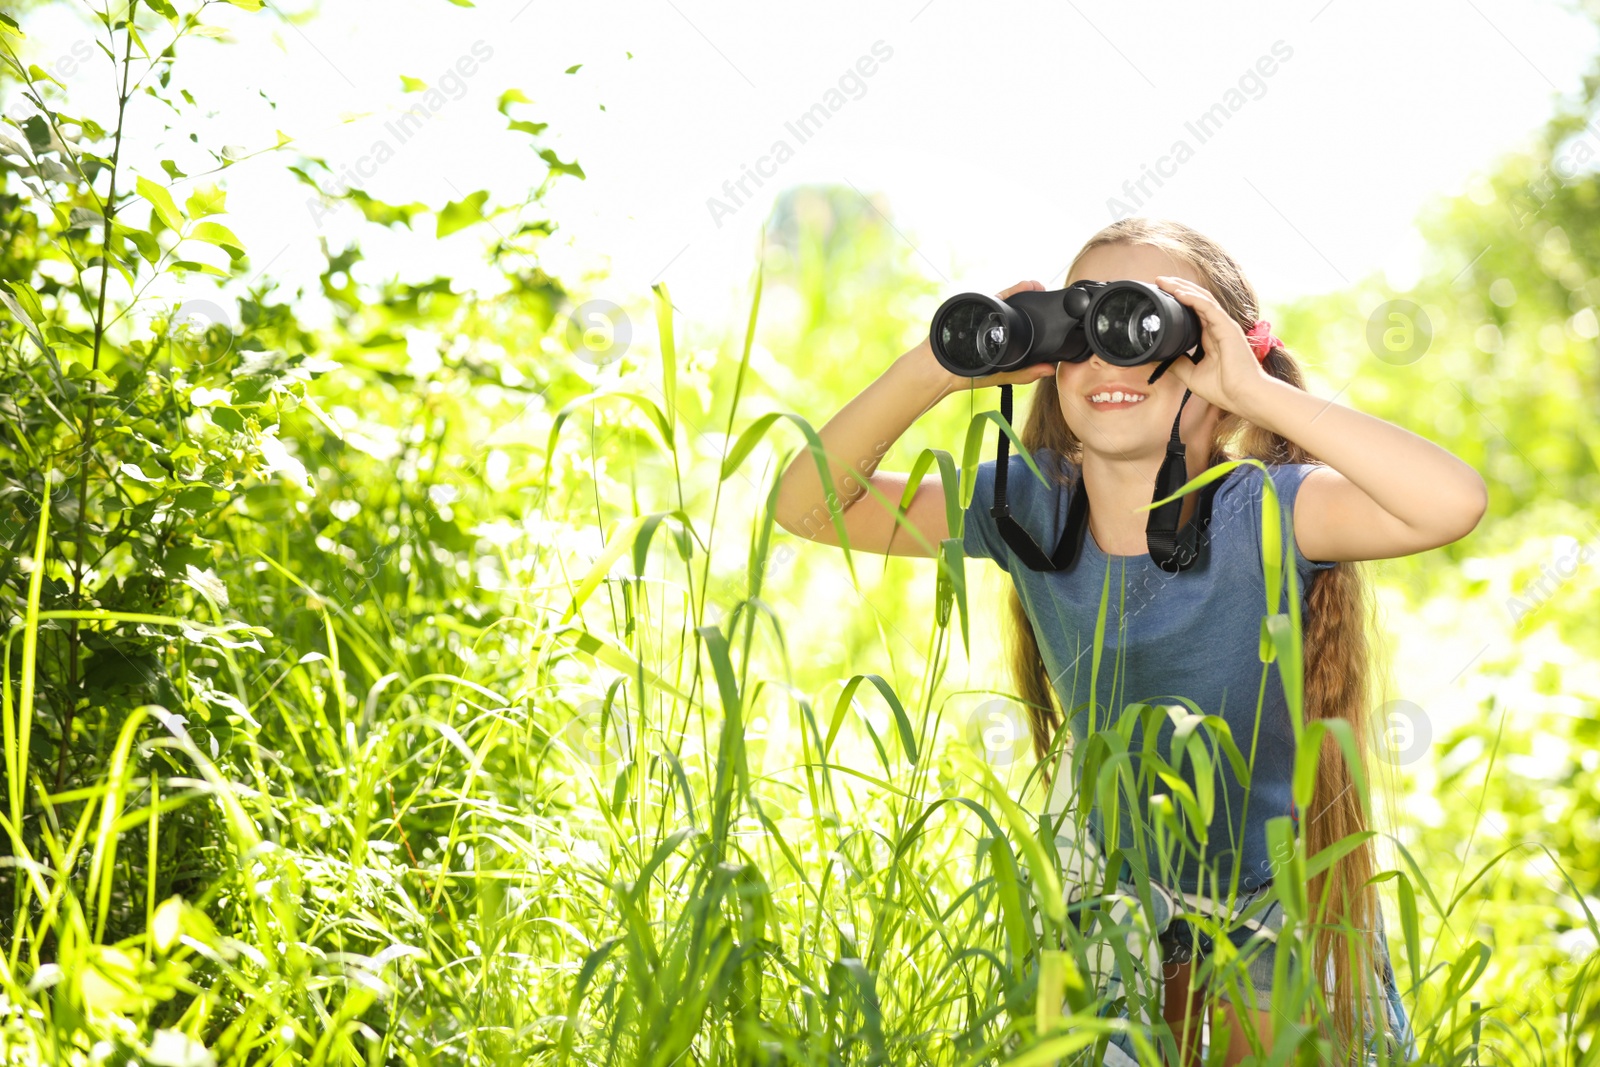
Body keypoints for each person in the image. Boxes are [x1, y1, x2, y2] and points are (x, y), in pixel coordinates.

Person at [774, 217, 1487, 1065]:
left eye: (1144, 325)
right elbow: (808, 507)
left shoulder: (1271, 508)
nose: (1106, 360)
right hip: (1113, 897)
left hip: (1274, 897)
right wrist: (937, 364)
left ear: (1217, 359)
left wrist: (1257, 390)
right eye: (1078, 330)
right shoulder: (1027, 504)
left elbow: (1451, 502)